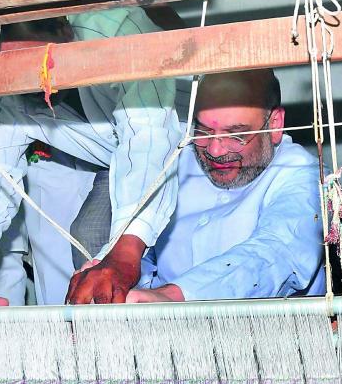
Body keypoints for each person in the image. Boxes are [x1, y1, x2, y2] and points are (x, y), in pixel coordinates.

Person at [0, 7, 181, 331]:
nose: (28, 85)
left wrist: (126, 252)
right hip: (115, 159)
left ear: (63, 29)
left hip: (202, 141)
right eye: (12, 78)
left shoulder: (115, 31)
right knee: (95, 252)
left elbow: (150, 142)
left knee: (129, 255)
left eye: (35, 67)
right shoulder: (3, 73)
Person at [73, 69, 325, 302]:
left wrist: (174, 296)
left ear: (275, 124)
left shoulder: (303, 174)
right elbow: (144, 249)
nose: (215, 150)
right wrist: (113, 273)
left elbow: (276, 254)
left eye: (235, 134)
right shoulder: (177, 161)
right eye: (203, 131)